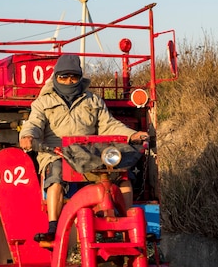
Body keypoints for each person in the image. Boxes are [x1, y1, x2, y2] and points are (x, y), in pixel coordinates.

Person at [19, 54, 149, 242]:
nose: (68, 81)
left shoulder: (93, 101)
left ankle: (125, 225)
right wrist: (28, 136)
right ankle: (53, 226)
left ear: (80, 77)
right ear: (56, 77)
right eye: (63, 77)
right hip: (57, 152)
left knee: (123, 175)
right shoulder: (43, 102)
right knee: (55, 174)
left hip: (89, 154)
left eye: (73, 77)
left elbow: (109, 125)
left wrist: (132, 134)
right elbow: (33, 124)